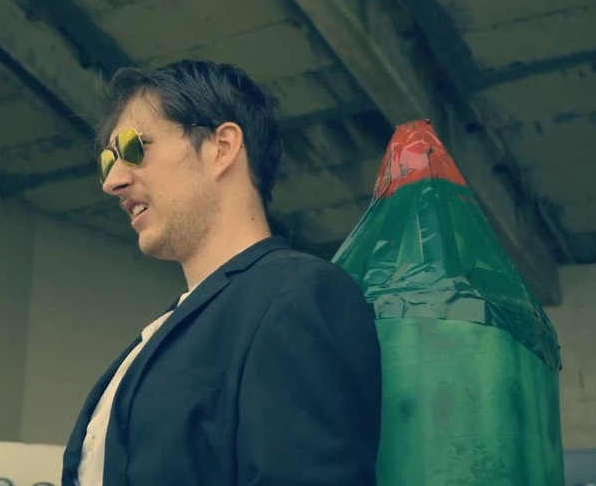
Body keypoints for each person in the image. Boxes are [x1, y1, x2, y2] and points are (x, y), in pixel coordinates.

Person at [62, 60, 381, 486]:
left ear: (222, 147)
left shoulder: (299, 294)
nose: (112, 181)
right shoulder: (162, 334)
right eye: (108, 161)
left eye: (134, 147)